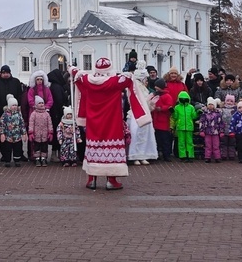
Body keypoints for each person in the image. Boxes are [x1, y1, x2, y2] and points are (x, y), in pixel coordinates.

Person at [74, 58, 151, 191]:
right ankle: (111, 180)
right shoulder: (115, 82)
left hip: (94, 121)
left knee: (94, 147)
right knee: (111, 148)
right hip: (112, 121)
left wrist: (73, 69)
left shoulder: (87, 80)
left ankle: (92, 179)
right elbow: (129, 79)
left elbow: (78, 76)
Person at [128, 61, 157, 166]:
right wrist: (148, 99)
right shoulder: (134, 88)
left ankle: (143, 155)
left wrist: (151, 103)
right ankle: (135, 155)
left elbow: (146, 102)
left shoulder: (144, 88)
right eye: (145, 79)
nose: (146, 81)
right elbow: (136, 100)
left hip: (145, 113)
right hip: (136, 114)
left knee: (146, 135)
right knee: (136, 134)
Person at [0, 94, 27, 167]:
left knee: (17, 149)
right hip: (8, 136)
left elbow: (22, 124)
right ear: (9, 106)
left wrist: (24, 133)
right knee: (7, 149)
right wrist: (2, 134)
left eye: (15, 105)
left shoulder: (19, 115)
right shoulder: (5, 115)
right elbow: (2, 125)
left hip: (17, 136)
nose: (14, 107)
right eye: (13, 105)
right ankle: (7, 160)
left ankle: (17, 160)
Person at [149, 78, 174, 162]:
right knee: (157, 139)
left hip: (163, 120)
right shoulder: (155, 95)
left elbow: (169, 106)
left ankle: (166, 155)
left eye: (157, 87)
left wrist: (161, 108)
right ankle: (158, 154)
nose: (156, 89)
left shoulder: (167, 96)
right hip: (156, 120)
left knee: (165, 140)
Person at [171, 91, 197, 162]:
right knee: (181, 142)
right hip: (181, 127)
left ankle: (190, 155)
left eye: (185, 99)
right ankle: (183, 156)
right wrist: (173, 112)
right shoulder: (177, 107)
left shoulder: (191, 107)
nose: (184, 100)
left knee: (189, 142)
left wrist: (197, 113)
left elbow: (193, 116)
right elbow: (175, 117)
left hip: (188, 127)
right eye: (182, 99)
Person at [198, 97, 224, 163]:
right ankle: (207, 157)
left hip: (215, 132)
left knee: (216, 145)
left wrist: (221, 131)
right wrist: (201, 130)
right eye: (209, 104)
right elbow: (202, 122)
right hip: (207, 132)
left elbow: (220, 123)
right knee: (208, 145)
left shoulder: (218, 114)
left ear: (214, 105)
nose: (210, 106)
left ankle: (217, 157)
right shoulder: (204, 114)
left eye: (212, 104)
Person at [29, 96, 53, 167]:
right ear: (36, 104)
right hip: (37, 134)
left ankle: (43, 158)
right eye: (39, 103)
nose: (41, 104)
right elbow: (31, 123)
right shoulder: (34, 114)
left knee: (44, 147)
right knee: (36, 147)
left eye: (42, 103)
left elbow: (49, 123)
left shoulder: (46, 113)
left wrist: (50, 132)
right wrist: (31, 132)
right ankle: (37, 158)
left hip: (45, 134)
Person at [219, 94, 237, 160]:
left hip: (232, 129)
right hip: (224, 129)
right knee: (224, 143)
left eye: (231, 101)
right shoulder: (222, 110)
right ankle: (224, 155)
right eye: (228, 101)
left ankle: (231, 155)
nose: (229, 102)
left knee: (232, 143)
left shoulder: (235, 110)